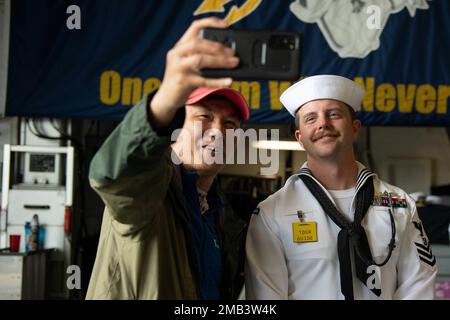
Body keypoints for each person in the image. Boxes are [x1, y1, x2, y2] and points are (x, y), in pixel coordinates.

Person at [86, 17, 249, 300]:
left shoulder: (220, 214)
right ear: (174, 129)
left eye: (230, 125)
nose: (218, 133)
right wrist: (163, 102)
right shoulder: (147, 195)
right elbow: (112, 175)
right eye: (204, 117)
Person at [245, 75, 437, 300]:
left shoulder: (400, 204)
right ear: (300, 138)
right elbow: (265, 297)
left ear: (355, 128)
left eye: (334, 114)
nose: (323, 123)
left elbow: (418, 285)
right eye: (310, 118)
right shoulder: (271, 213)